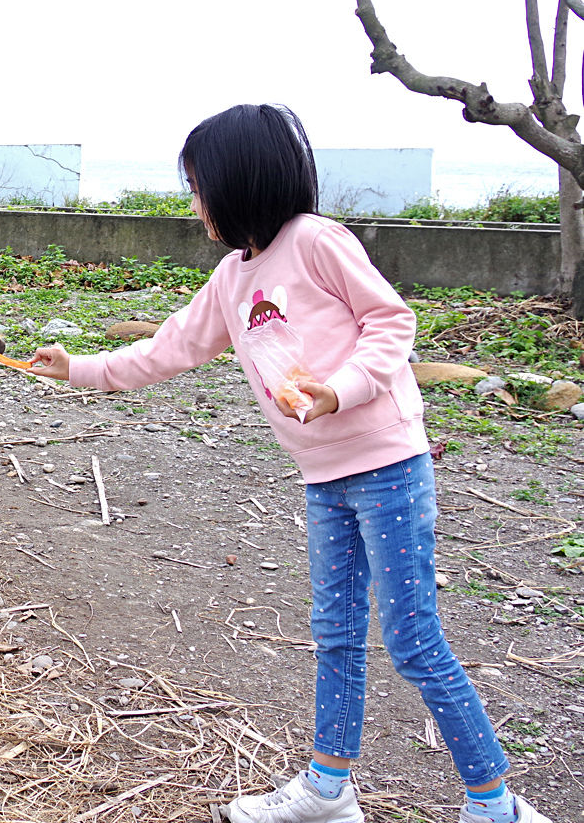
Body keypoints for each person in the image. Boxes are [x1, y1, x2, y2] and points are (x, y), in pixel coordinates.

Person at [28, 104, 550, 823]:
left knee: (412, 639)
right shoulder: (232, 278)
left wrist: (341, 390)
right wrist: (77, 368)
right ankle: (328, 791)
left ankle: (495, 804)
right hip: (323, 479)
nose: (193, 203)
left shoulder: (315, 242)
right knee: (335, 633)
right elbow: (167, 349)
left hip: (387, 466)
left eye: (198, 187)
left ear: (239, 182)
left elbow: (393, 320)